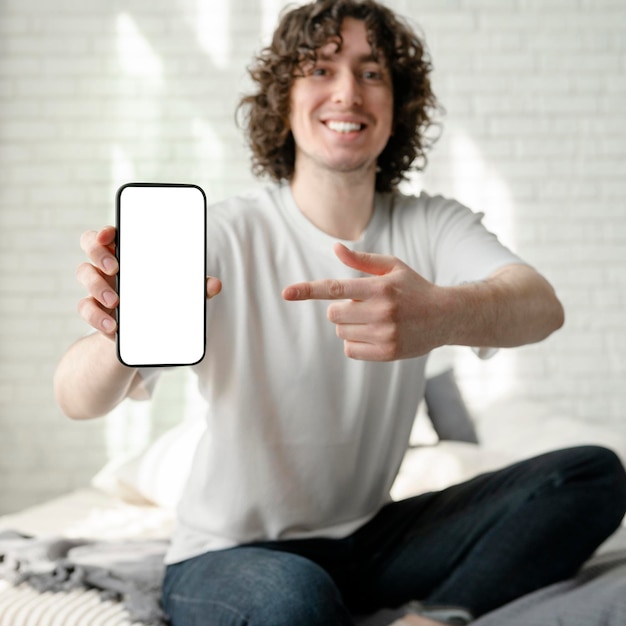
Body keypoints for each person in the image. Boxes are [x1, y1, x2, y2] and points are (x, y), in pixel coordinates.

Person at [54, 1, 626, 625]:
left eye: (371, 72)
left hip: (370, 539)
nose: (348, 92)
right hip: (228, 555)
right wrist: (120, 335)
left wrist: (443, 314)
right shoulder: (224, 234)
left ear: (396, 103)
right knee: (294, 597)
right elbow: (76, 398)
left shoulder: (430, 223)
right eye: (321, 70)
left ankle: (435, 618)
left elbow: (541, 306)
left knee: (591, 474)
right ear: (285, 98)